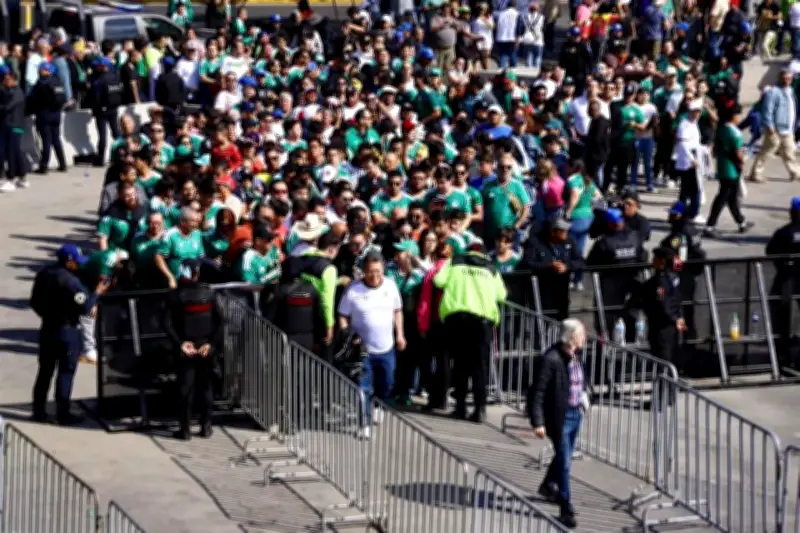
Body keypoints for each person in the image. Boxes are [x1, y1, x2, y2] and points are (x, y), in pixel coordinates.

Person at [30, 244, 104, 425]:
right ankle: (63, 413)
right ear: (68, 261)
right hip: (67, 331)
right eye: (76, 262)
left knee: (44, 372)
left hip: (47, 328)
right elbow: (86, 306)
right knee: (66, 372)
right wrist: (98, 292)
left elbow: (34, 301)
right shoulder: (70, 282)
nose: (78, 265)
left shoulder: (45, 273)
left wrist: (46, 314)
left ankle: (38, 411)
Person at [435, 242, 507, 422]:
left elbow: (439, 281)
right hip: (482, 322)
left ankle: (460, 408)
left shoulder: (454, 261)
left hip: (457, 319)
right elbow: (502, 295)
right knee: (479, 367)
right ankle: (480, 409)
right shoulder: (491, 267)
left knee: (460, 365)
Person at [528, 318, 589, 529]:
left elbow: (578, 381)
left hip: (575, 414)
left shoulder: (576, 356)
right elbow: (537, 393)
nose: (585, 338)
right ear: (571, 337)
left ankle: (547, 485)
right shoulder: (551, 359)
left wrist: (584, 397)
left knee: (565, 456)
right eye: (581, 334)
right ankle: (566, 507)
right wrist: (538, 422)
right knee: (564, 463)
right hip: (559, 419)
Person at [338, 251, 406, 440]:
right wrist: (347, 334)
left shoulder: (391, 287)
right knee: (363, 387)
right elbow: (343, 315)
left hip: (386, 348)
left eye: (378, 271)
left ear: (383, 269)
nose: (374, 276)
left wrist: (400, 335)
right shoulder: (354, 290)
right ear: (363, 272)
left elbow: (398, 311)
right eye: (370, 272)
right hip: (363, 350)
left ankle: (378, 404)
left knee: (387, 383)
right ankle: (364, 424)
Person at [163, 259, 224, 440]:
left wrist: (180, 343)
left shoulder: (175, 296)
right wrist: (211, 344)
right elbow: (221, 321)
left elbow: (166, 323)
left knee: (185, 387)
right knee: (206, 387)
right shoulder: (209, 294)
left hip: (186, 347)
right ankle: (206, 427)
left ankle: (185, 429)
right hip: (205, 346)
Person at [705, 104, 754, 238]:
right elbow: (739, 156)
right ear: (733, 116)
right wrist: (746, 156)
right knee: (723, 197)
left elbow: (715, 151)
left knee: (731, 197)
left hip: (722, 167)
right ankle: (710, 225)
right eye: (738, 115)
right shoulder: (735, 133)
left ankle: (741, 222)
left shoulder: (721, 129)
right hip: (732, 169)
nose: (739, 117)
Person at [519, 218, 582, 320]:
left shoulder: (570, 241)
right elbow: (528, 263)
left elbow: (580, 261)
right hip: (540, 292)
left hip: (561, 294)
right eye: (563, 230)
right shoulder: (535, 243)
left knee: (561, 322)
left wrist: (567, 266)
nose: (566, 233)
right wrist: (549, 265)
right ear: (553, 232)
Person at [638, 247, 686, 369]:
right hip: (670, 326)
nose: (653, 261)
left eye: (655, 259)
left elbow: (664, 305)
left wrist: (672, 318)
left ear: (662, 261)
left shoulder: (660, 281)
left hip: (661, 327)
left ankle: (665, 387)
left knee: (664, 361)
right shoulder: (673, 278)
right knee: (669, 359)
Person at [27, 62, 68, 174]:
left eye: (42, 69)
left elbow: (33, 99)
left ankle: (44, 165)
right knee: (56, 139)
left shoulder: (41, 83)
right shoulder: (57, 82)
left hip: (44, 114)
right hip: (56, 114)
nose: (40, 71)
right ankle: (63, 164)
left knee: (46, 141)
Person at [91, 57, 124, 167]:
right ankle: (123, 153)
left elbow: (96, 97)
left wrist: (94, 109)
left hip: (102, 110)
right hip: (113, 108)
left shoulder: (99, 80)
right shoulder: (115, 77)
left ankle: (100, 159)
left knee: (102, 135)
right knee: (116, 132)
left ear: (102, 66)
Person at [0, 70, 27, 192]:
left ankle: (12, 178)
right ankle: (21, 176)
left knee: (13, 151)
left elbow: (8, 107)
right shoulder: (6, 92)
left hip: (15, 126)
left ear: (14, 80)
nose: (5, 81)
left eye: (8, 79)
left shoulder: (17, 93)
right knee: (11, 151)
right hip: (7, 125)